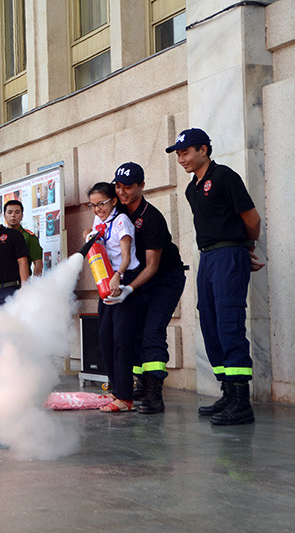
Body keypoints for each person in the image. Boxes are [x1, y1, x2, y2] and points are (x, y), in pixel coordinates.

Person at [167, 128, 263, 425]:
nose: (181, 158)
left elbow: (252, 219)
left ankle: (241, 401)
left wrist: (245, 247)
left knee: (228, 320)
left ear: (203, 150)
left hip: (228, 255)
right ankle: (227, 393)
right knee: (209, 321)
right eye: (179, 154)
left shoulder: (225, 177)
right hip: (207, 256)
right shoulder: (191, 189)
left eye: (185, 152)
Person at [110, 162, 186, 415]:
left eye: (128, 187)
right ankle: (141, 384)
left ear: (142, 186)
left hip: (164, 279)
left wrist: (129, 289)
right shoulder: (118, 211)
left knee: (152, 332)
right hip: (137, 279)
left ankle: (154, 394)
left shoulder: (151, 218)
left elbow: (152, 266)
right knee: (133, 331)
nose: (122, 192)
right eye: (118, 187)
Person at [85, 182, 142, 413]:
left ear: (114, 201)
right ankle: (115, 389)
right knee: (105, 336)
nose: (98, 209)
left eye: (102, 204)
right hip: (106, 281)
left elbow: (127, 256)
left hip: (123, 279)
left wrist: (119, 277)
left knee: (121, 340)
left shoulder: (122, 221)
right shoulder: (99, 221)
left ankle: (126, 397)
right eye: (93, 205)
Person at [3, 200, 43, 276]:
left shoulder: (29, 237)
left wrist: (35, 285)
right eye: (10, 212)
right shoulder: (0, 237)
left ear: (22, 216)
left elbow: (38, 263)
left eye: (17, 212)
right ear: (4, 216)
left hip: (21, 282)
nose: (13, 215)